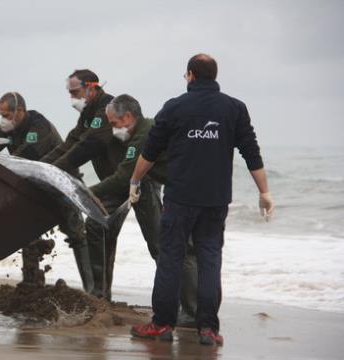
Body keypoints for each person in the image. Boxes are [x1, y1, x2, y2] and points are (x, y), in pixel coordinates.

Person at [129, 54, 274, 346]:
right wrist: (265, 192)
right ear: (214, 76)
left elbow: (150, 150)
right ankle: (207, 329)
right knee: (210, 260)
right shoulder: (234, 108)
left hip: (180, 198)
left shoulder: (175, 107)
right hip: (216, 201)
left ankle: (162, 325)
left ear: (191, 75)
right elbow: (251, 151)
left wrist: (134, 181)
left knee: (171, 258)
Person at [87, 95, 198, 319]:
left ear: (128, 117)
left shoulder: (144, 135)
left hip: (170, 189)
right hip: (156, 185)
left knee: (164, 247)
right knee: (96, 223)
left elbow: (123, 176)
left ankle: (187, 310)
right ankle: (101, 294)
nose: (112, 128)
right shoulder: (135, 131)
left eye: (114, 123)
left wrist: (87, 193)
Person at [0, 92, 90, 288]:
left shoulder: (39, 127)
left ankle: (93, 289)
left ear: (20, 111)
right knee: (27, 229)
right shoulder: (8, 127)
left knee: (76, 235)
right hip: (34, 184)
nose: (3, 120)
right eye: (1, 115)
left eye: (7, 115)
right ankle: (31, 282)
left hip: (63, 184)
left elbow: (25, 156)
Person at [41, 69, 115, 293]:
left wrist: (56, 168)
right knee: (102, 234)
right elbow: (70, 142)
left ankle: (98, 295)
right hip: (112, 182)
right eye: (70, 93)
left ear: (91, 87)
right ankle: (100, 295)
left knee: (156, 244)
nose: (73, 98)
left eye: (75, 92)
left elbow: (89, 144)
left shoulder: (108, 108)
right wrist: (42, 167)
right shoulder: (88, 113)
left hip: (132, 182)